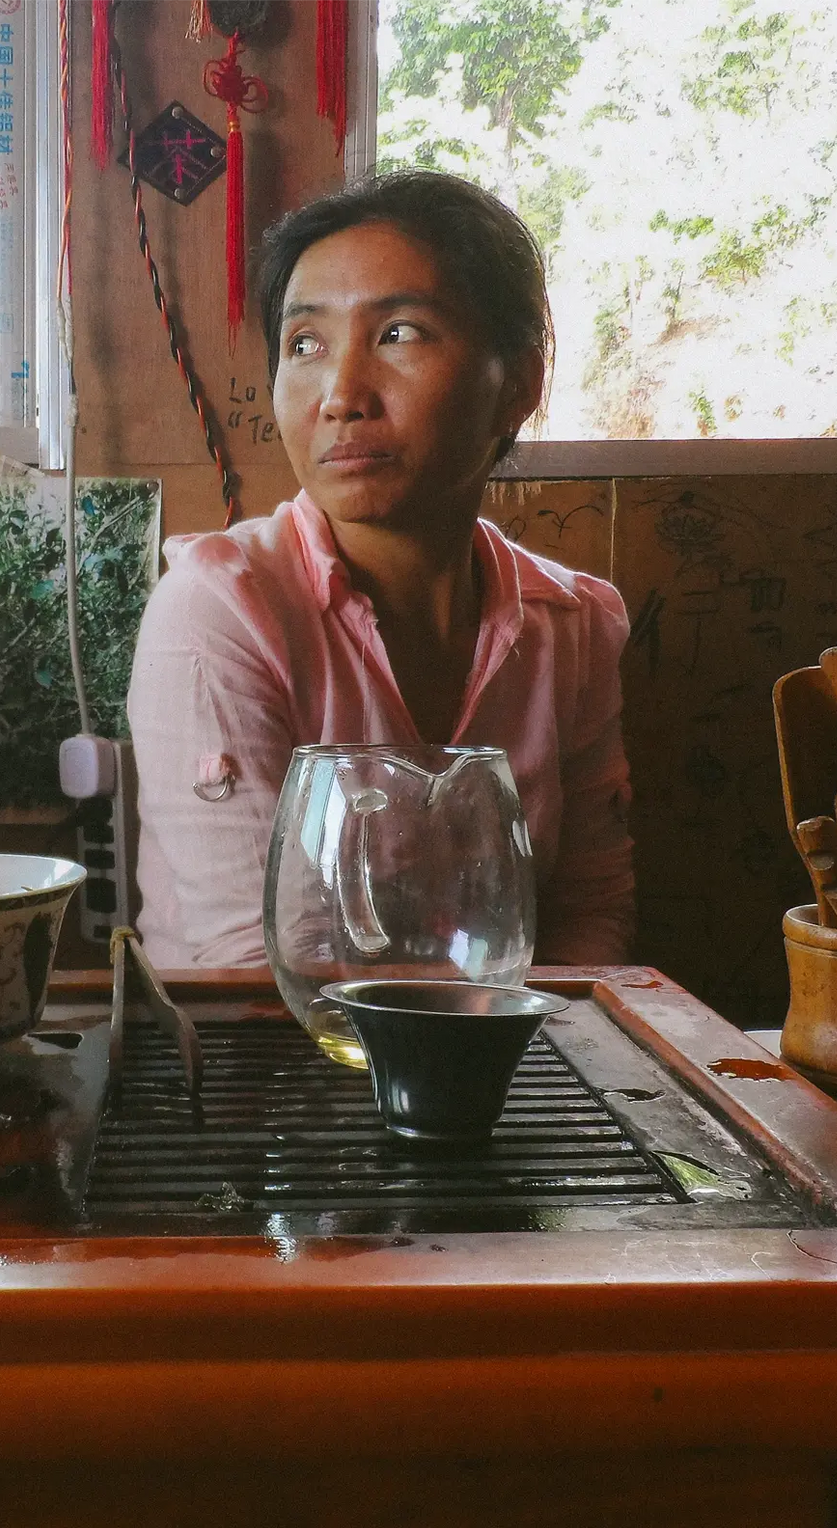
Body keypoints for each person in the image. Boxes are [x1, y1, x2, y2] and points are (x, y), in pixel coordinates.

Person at [126, 170, 634, 969]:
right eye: (305, 344)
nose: (340, 395)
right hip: (255, 1072)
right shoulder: (222, 608)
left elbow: (589, 913)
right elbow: (258, 962)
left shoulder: (574, 624)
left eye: (399, 334)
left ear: (518, 388)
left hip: (503, 1065)